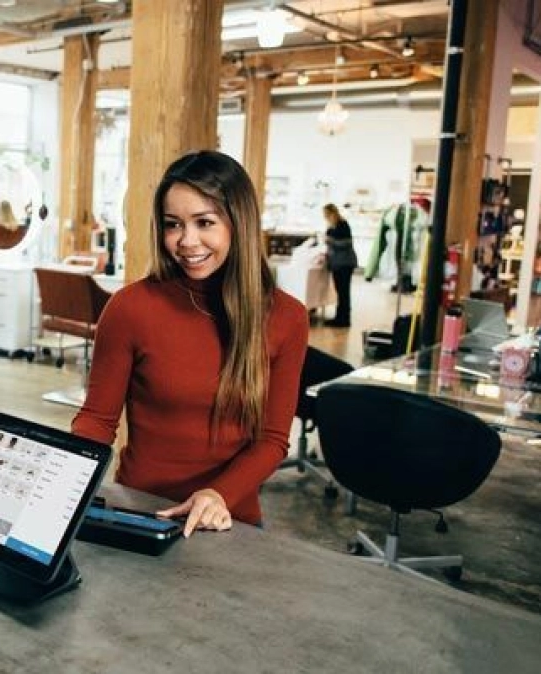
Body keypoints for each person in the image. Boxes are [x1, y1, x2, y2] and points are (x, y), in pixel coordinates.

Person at [72, 151, 308, 534]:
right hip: (141, 512)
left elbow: (272, 439)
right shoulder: (130, 308)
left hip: (228, 519)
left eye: (204, 222)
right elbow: (97, 421)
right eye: (173, 224)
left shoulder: (286, 318)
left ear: (238, 223)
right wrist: (65, 477)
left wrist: (217, 494)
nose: (186, 241)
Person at [322, 203, 358, 328]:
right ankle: (340, 317)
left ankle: (344, 319)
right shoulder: (331, 227)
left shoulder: (343, 225)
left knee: (344, 292)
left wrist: (331, 241)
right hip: (337, 264)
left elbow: (347, 243)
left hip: (345, 263)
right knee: (340, 292)